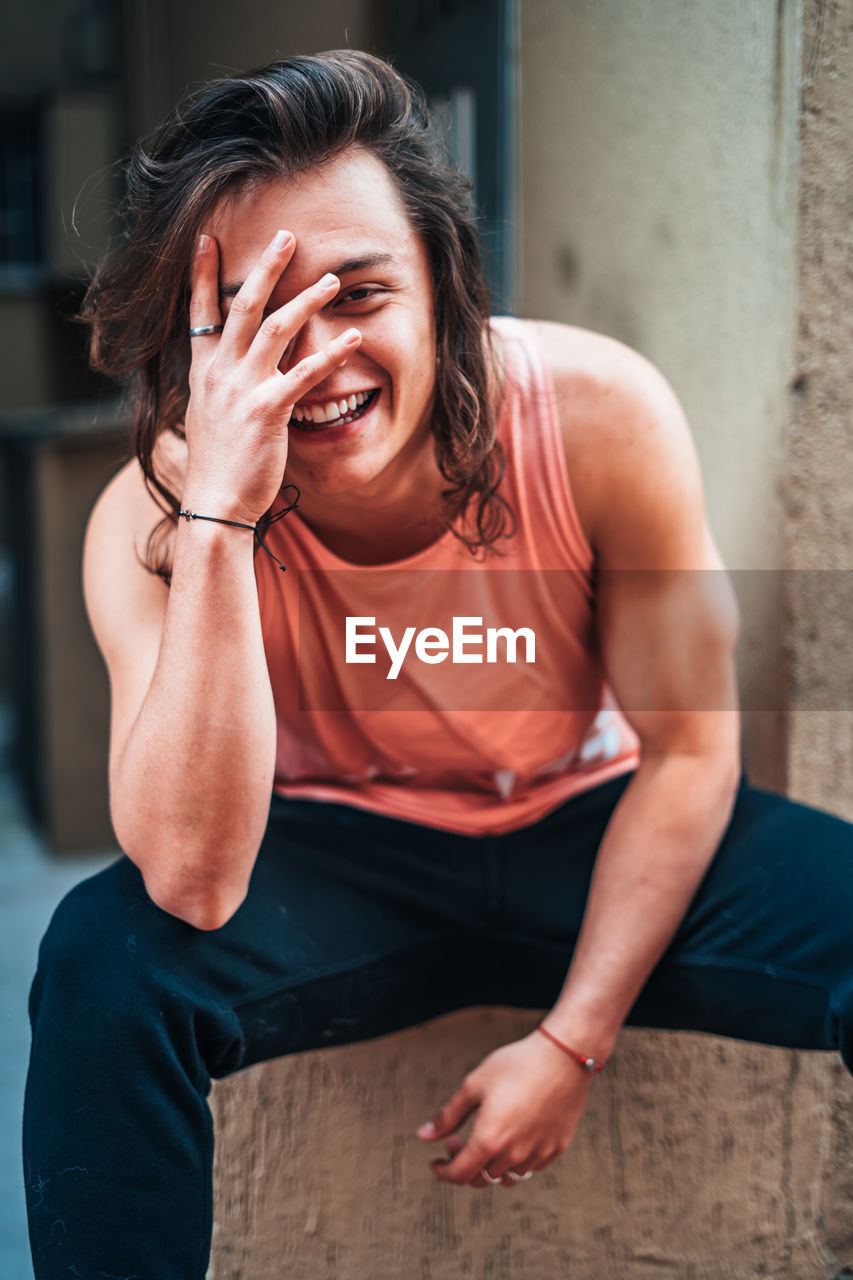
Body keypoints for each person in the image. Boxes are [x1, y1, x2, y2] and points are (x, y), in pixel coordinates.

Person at [23, 49, 853, 1279]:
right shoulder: (145, 523)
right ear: (189, 347)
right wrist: (219, 521)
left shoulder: (596, 414)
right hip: (338, 858)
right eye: (254, 317)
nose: (317, 361)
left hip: (592, 824)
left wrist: (571, 1041)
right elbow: (193, 881)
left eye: (359, 295)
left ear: (442, 292)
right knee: (102, 966)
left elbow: (692, 749)